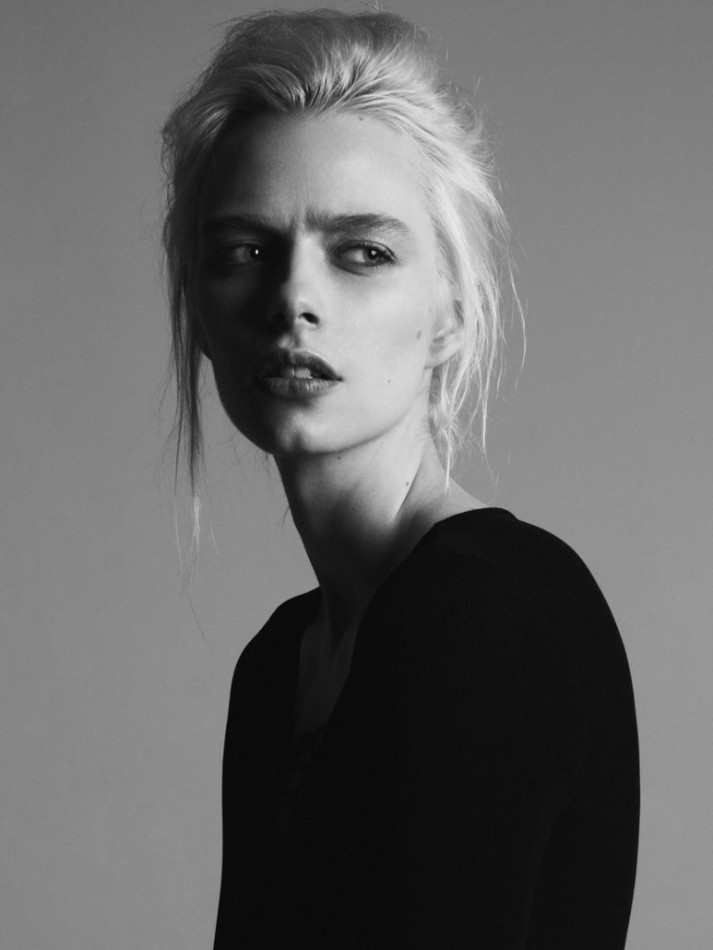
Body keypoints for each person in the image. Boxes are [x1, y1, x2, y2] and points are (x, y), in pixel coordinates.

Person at [161, 9, 639, 948]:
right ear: (200, 310)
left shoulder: (490, 610)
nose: (292, 299)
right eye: (244, 252)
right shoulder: (278, 666)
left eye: (363, 252)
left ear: (450, 313)